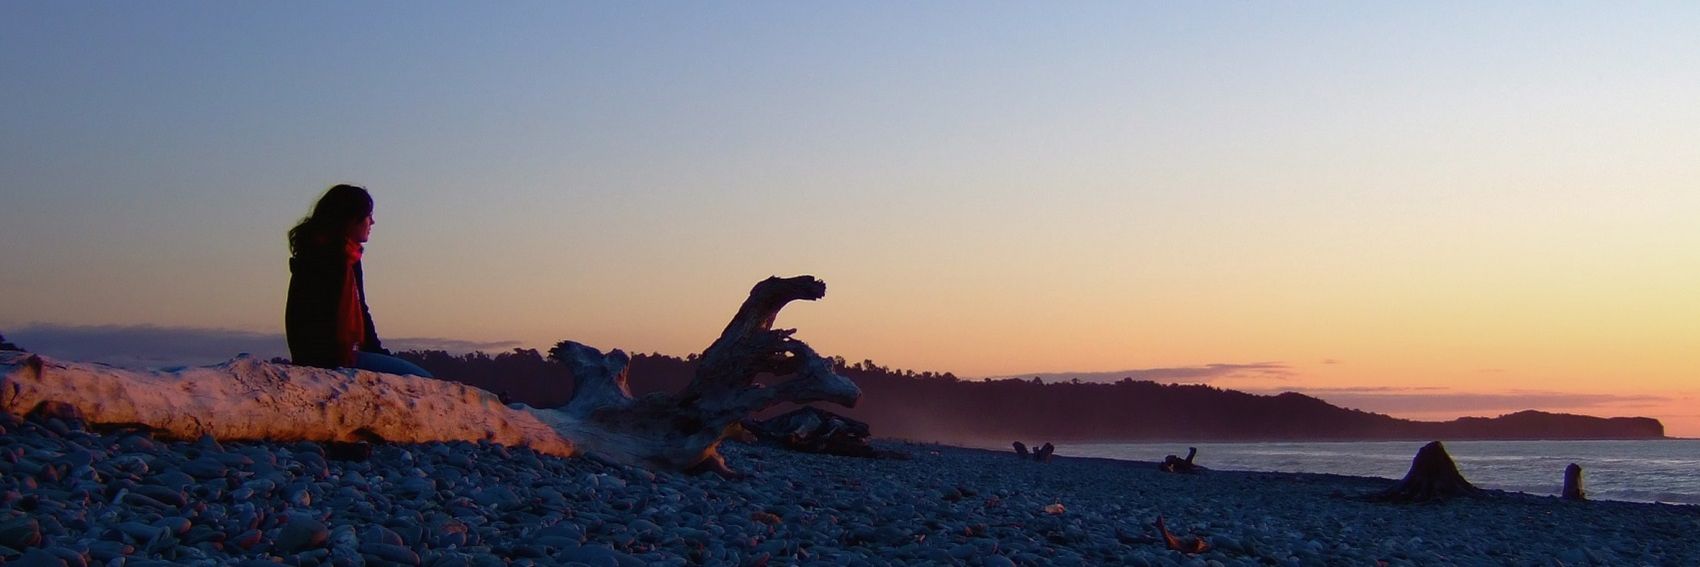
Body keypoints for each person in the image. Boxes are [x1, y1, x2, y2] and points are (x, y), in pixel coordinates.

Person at [285, 184, 432, 377]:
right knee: (423, 379)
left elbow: (361, 309)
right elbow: (313, 318)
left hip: (338, 355)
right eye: (368, 215)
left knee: (412, 374)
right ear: (350, 219)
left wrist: (377, 351)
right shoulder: (327, 258)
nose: (372, 222)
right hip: (330, 359)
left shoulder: (346, 256)